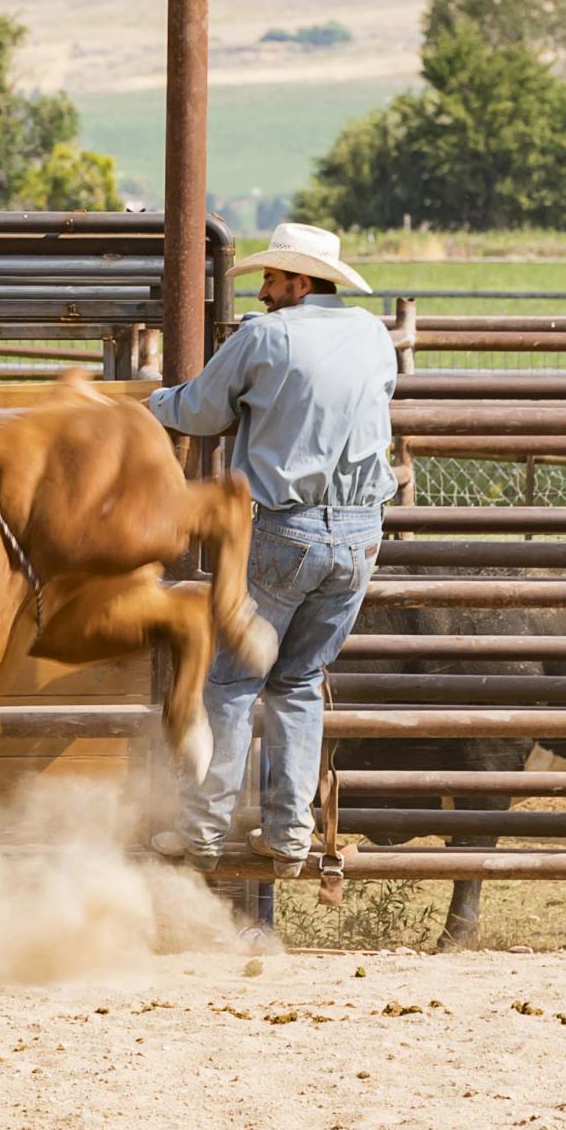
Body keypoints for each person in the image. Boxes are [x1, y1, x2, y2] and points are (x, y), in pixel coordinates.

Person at [146, 222, 397, 877]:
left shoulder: (265, 337)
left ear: (300, 282)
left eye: (272, 279)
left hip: (286, 528)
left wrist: (147, 399)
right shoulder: (373, 335)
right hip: (362, 531)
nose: (262, 291)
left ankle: (202, 832)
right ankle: (289, 834)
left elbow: (199, 411)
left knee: (230, 681)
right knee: (301, 681)